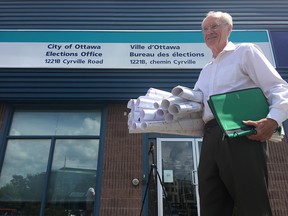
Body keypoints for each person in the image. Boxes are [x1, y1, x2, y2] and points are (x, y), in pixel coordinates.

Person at [194, 11, 288, 216]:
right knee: (212, 204)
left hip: (242, 133)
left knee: (251, 204)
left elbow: (279, 87)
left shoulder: (245, 52)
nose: (209, 31)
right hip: (210, 138)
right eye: (205, 28)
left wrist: (273, 119)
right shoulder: (205, 70)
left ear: (229, 28)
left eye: (215, 26)